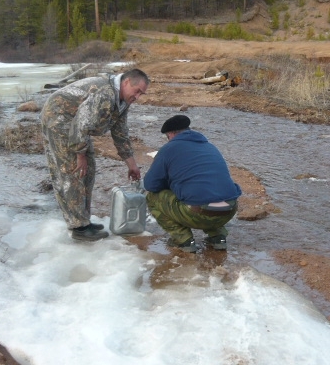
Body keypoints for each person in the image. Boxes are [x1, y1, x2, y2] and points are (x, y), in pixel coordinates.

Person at [40, 68, 150, 241]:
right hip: (59, 118)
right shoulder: (105, 93)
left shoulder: (122, 101)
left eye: (141, 94)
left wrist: (132, 165)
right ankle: (78, 227)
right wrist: (80, 155)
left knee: (89, 170)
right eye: (137, 91)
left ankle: (84, 220)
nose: (137, 97)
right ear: (126, 82)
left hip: (77, 125)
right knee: (73, 170)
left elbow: (120, 133)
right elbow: (80, 122)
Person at [143, 115, 241, 252]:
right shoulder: (210, 146)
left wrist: (170, 184)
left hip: (198, 212)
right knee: (209, 192)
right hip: (229, 210)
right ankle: (218, 237)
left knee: (152, 197)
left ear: (170, 134)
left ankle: (183, 240)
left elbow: (150, 185)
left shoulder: (168, 149)